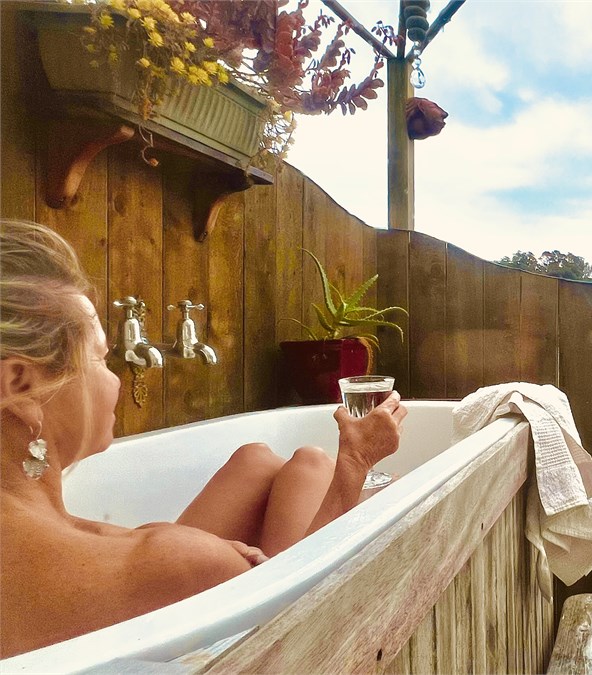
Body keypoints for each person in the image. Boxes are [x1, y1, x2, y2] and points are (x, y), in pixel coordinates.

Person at [0, 219, 405, 657]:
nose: (114, 379)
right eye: (100, 359)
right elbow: (310, 638)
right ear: (21, 384)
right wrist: (355, 463)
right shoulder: (183, 562)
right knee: (316, 464)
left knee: (258, 461)